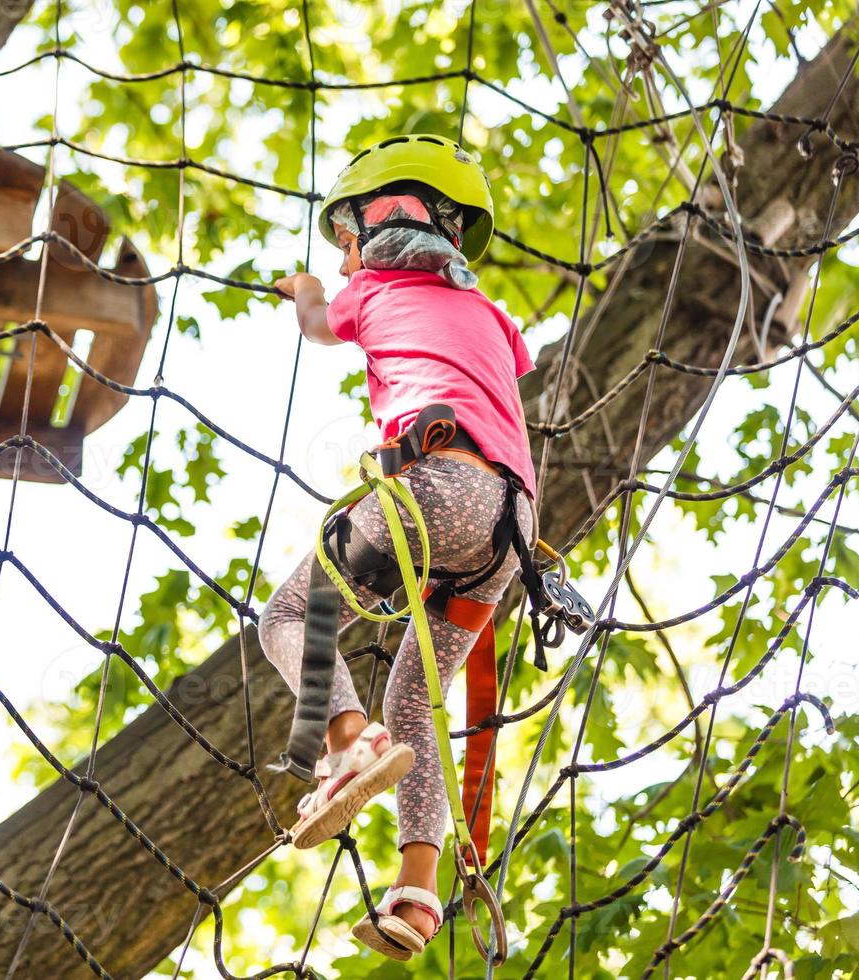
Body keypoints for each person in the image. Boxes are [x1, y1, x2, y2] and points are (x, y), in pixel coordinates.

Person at [261, 134, 537, 961]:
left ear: (374, 228)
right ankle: (419, 896)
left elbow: (319, 323)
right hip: (508, 530)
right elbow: (507, 361)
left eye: (346, 243)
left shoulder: (372, 288)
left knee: (288, 616)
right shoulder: (489, 313)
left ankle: (344, 743)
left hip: (435, 491)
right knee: (417, 701)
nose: (345, 262)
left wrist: (309, 290)